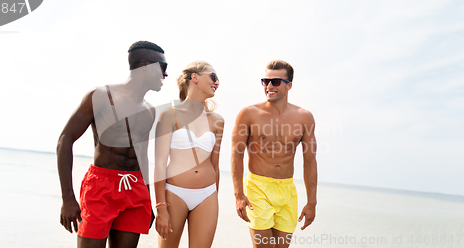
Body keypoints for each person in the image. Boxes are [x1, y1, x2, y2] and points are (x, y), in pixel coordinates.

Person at [57, 40, 168, 248]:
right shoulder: (101, 96)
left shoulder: (149, 110)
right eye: (163, 68)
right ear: (145, 66)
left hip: (135, 189)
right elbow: (65, 139)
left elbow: (142, 156)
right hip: (101, 186)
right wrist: (68, 198)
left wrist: (147, 198)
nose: (165, 75)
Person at [231, 60, 317, 248]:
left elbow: (310, 162)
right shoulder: (248, 113)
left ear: (289, 85)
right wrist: (239, 194)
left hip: (287, 190)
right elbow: (236, 154)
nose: (269, 86)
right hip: (257, 188)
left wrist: (312, 202)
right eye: (265, 81)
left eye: (276, 82)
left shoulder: (304, 117)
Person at [154, 61, 224, 248]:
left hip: (207, 195)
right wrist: (160, 207)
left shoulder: (217, 121)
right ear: (194, 77)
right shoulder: (169, 115)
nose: (217, 83)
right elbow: (159, 164)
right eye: (213, 77)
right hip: (174, 193)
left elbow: (215, 165)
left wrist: (214, 199)